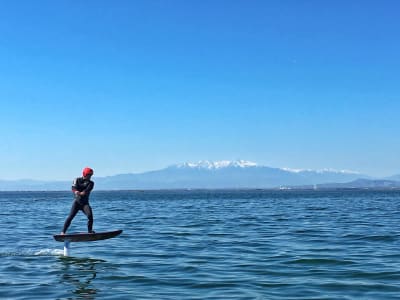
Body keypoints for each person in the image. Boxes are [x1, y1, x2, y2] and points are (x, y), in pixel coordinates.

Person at [61, 167, 95, 234]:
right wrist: (76, 191)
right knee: (70, 217)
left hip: (85, 204)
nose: (90, 177)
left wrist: (81, 193)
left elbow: (86, 191)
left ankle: (90, 231)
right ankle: (63, 232)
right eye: (89, 175)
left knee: (90, 216)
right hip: (77, 203)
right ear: (85, 174)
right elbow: (73, 187)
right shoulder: (76, 180)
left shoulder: (91, 183)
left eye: (91, 175)